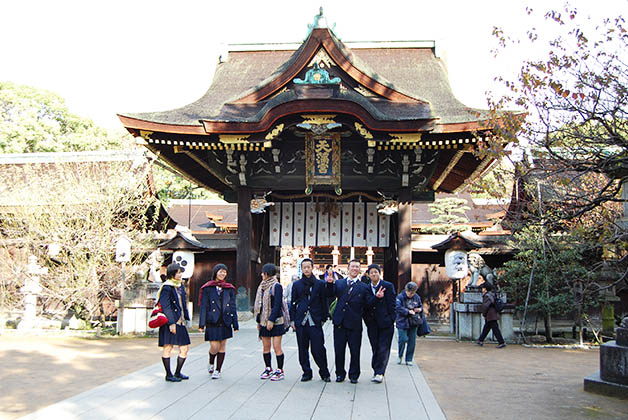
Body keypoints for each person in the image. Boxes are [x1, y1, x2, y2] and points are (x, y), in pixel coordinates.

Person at [327, 259, 381, 384]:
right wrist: (329, 284)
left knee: (355, 351)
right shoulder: (339, 283)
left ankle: (354, 374)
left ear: (360, 270)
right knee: (339, 350)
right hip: (340, 322)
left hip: (355, 322)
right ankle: (340, 373)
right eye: (352, 266)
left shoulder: (364, 287)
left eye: (357, 267)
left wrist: (376, 298)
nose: (355, 269)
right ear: (348, 268)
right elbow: (329, 295)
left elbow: (368, 303)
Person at [290, 258, 331, 382]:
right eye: (304, 267)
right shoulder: (297, 285)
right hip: (301, 320)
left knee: (318, 348)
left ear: (312, 267)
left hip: (315, 319)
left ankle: (324, 372)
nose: (306, 269)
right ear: (301, 269)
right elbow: (292, 303)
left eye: (308, 267)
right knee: (302, 349)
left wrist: (324, 318)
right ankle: (306, 372)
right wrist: (292, 320)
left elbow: (324, 301)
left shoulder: (319, 284)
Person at [198, 263, 239, 379]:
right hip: (212, 320)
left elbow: (232, 306)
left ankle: (218, 370)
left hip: (225, 320)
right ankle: (211, 361)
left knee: (222, 346)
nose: (222, 274)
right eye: (220, 271)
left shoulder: (229, 288)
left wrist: (235, 324)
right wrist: (202, 324)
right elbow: (203, 306)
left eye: (224, 272)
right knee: (214, 346)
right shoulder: (208, 288)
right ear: (215, 272)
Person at [362, 264, 396, 383]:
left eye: (376, 272)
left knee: (384, 348)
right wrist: (376, 297)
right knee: (375, 347)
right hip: (372, 323)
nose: (374, 274)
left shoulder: (387, 286)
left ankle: (380, 372)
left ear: (379, 273)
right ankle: (376, 368)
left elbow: (392, 304)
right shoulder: (366, 288)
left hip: (386, 322)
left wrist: (392, 319)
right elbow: (367, 304)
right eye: (371, 272)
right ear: (368, 275)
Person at [157, 263, 191, 382]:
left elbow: (183, 303)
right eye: (179, 272)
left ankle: (177, 372)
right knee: (168, 347)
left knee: (184, 348)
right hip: (170, 322)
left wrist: (187, 318)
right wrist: (171, 322)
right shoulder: (167, 287)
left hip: (181, 321)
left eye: (181, 272)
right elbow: (165, 306)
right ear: (172, 274)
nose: (181, 274)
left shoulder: (180, 286)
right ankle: (168, 374)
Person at [254, 263, 287, 381]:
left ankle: (279, 370)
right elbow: (259, 305)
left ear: (268, 273)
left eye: (264, 272)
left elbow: (277, 304)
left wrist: (271, 320)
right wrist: (259, 320)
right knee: (265, 347)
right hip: (263, 320)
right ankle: (268, 368)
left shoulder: (276, 286)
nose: (262, 274)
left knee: (276, 346)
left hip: (276, 320)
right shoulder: (262, 286)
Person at [395, 282, 423, 365]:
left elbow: (420, 306)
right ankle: (400, 355)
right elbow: (398, 308)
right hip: (402, 321)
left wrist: (419, 309)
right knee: (402, 339)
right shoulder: (400, 297)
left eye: (413, 292)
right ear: (406, 290)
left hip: (413, 321)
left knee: (412, 341)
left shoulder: (416, 297)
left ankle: (409, 358)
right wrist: (407, 311)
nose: (411, 294)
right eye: (410, 292)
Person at [476, 282, 506, 348]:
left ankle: (501, 342)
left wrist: (484, 314)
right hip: (493, 313)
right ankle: (480, 340)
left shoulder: (487, 296)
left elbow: (485, 306)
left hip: (490, 314)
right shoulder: (492, 294)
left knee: (495, 329)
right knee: (487, 328)